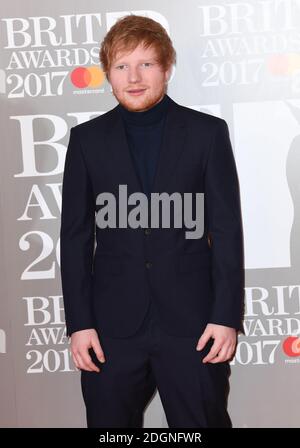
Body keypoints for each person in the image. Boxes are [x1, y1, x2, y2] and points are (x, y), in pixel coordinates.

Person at [60, 14, 245, 428]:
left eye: (146, 64)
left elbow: (228, 231)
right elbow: (73, 239)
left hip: (195, 325)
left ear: (166, 68)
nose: (134, 77)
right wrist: (80, 324)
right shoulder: (87, 142)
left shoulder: (207, 133)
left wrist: (226, 315)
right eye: (122, 66)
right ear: (108, 74)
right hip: (110, 330)